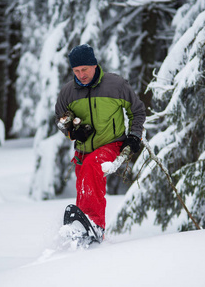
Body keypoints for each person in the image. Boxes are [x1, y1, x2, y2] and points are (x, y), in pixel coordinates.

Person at [55, 44, 146, 242]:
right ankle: (84, 235)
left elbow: (137, 111)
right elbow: (61, 120)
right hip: (83, 151)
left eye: (84, 69)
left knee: (93, 166)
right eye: (76, 71)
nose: (81, 75)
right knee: (85, 188)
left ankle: (93, 223)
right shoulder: (68, 92)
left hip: (111, 144)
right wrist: (73, 132)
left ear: (94, 65)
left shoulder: (116, 85)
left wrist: (134, 135)